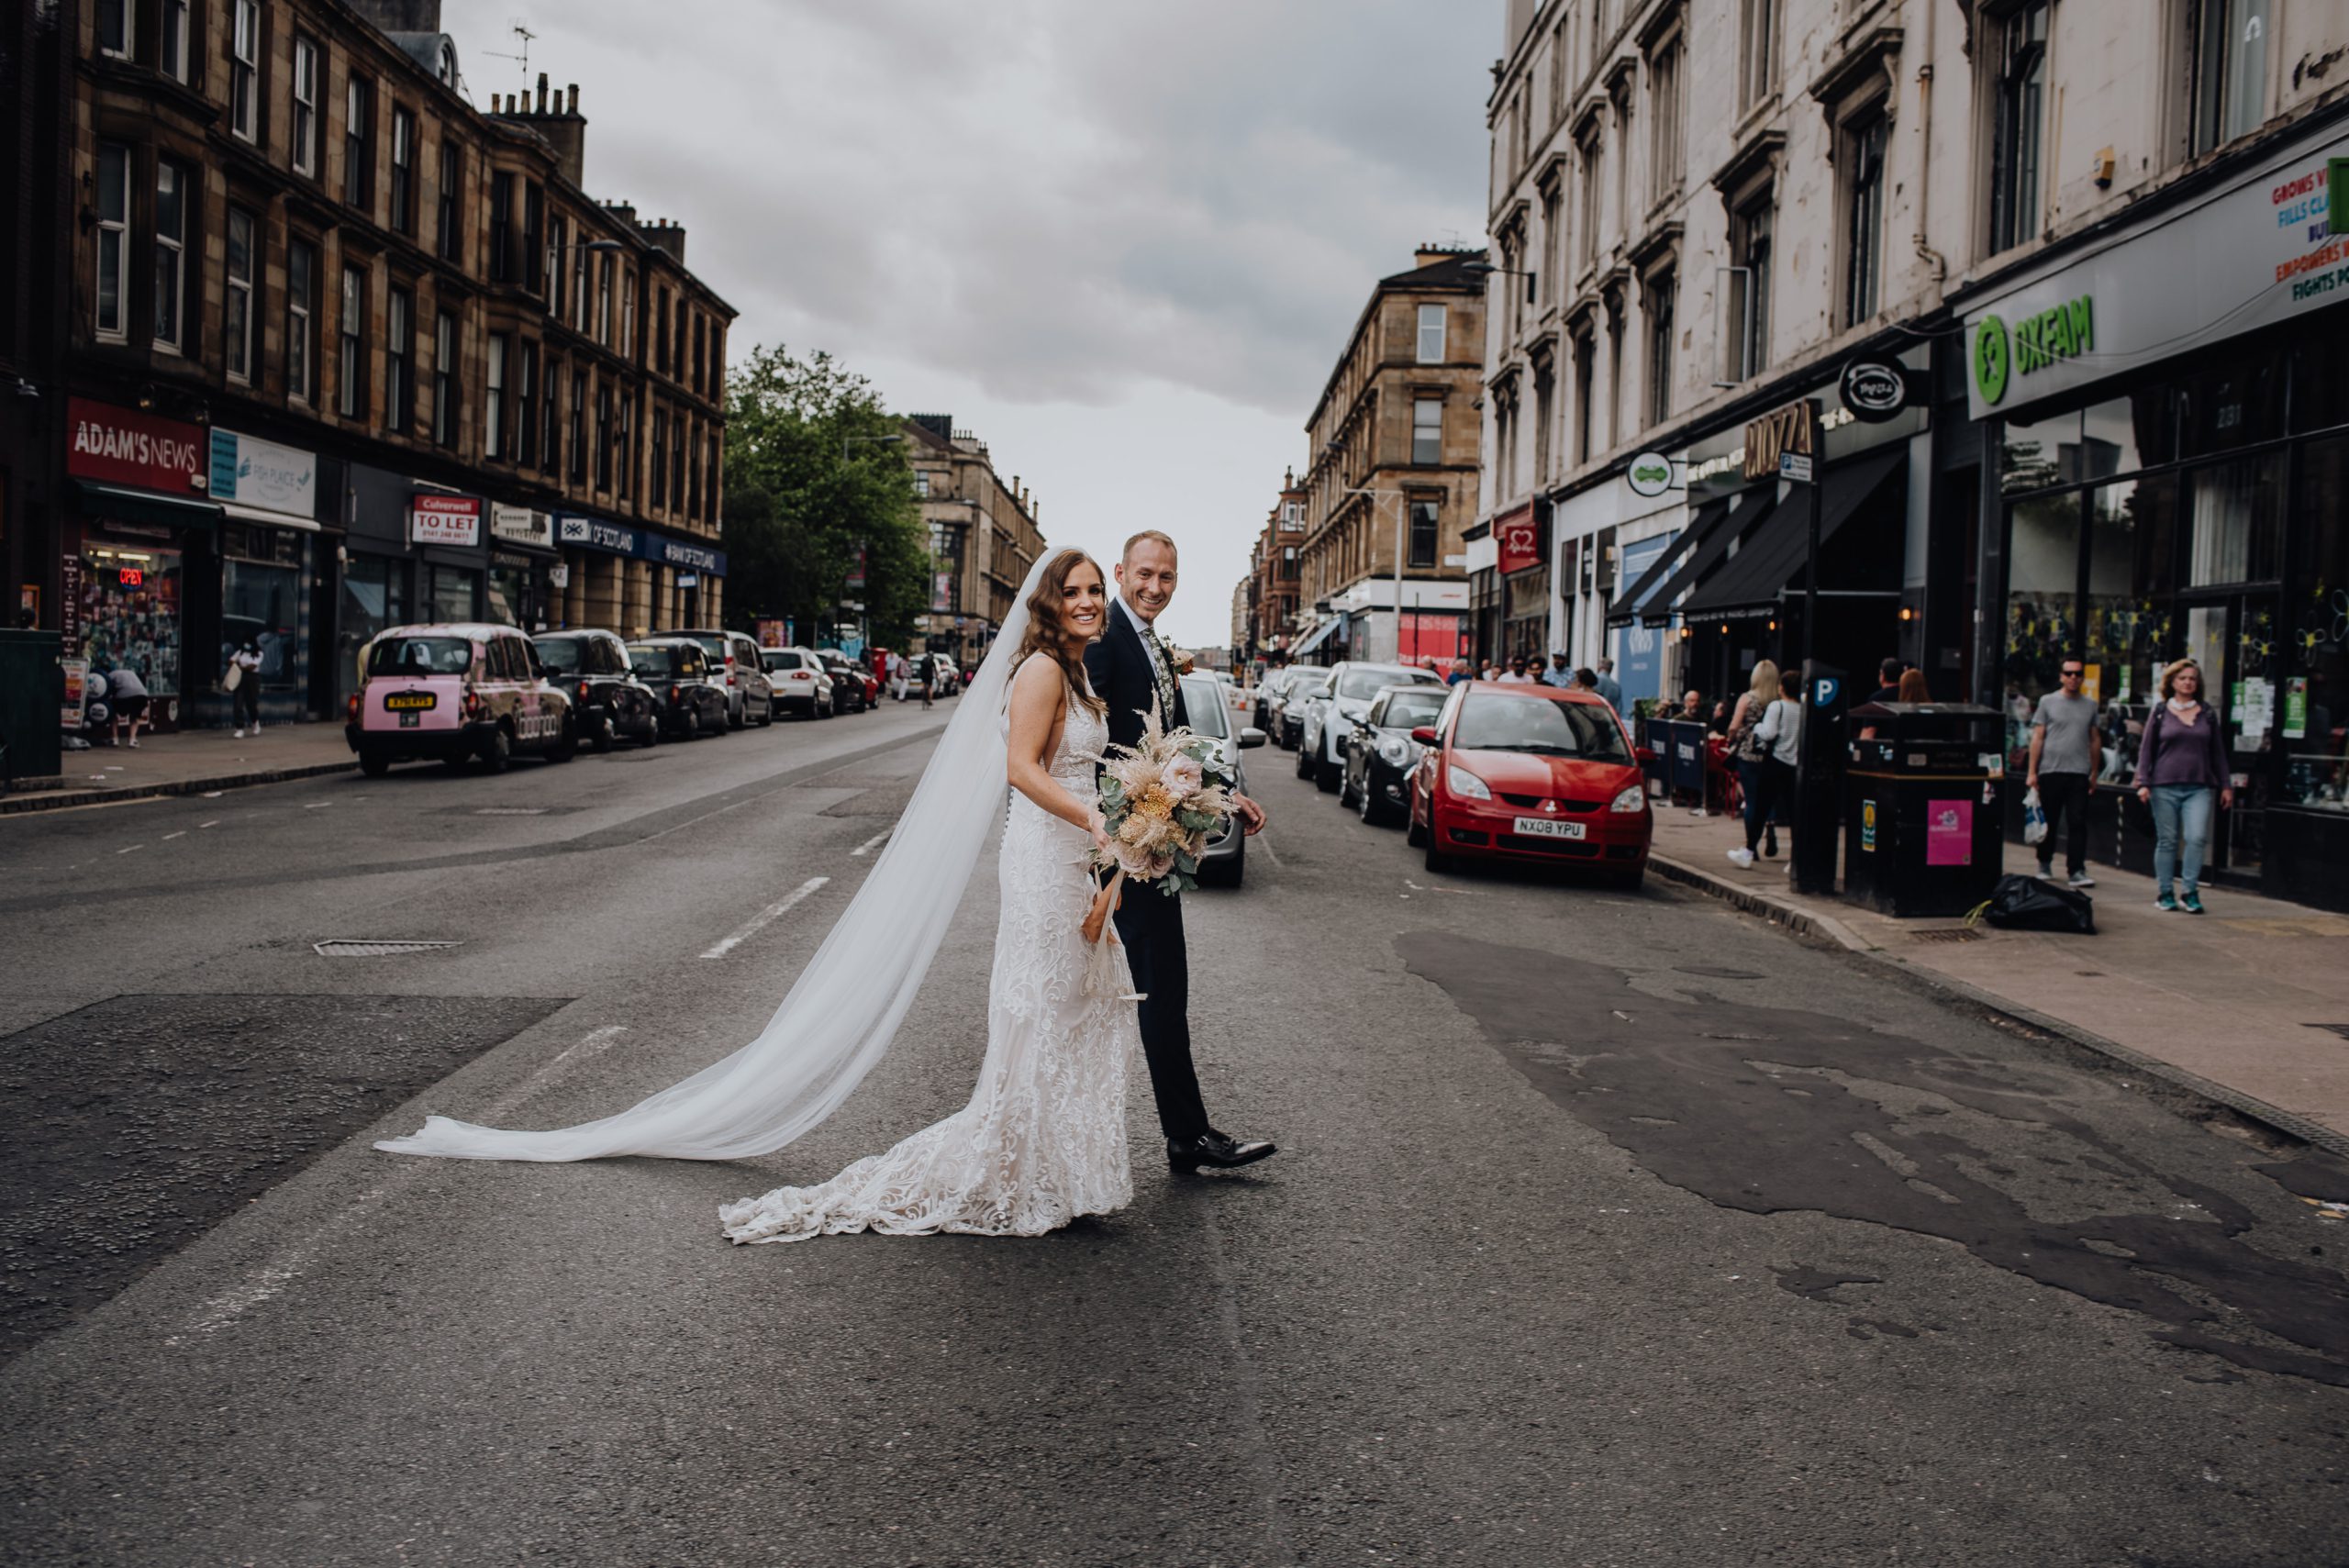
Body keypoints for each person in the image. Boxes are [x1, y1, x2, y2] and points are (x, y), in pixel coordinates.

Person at [376, 545, 1271, 1239]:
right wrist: (1097, 816)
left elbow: (1119, 753)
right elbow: (1019, 768)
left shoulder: (1081, 668)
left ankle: (1058, 1169)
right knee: (1037, 1007)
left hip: (1076, 857)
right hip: (1047, 853)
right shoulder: (1043, 668)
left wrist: (1157, 805)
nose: (1086, 603)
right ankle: (1019, 1168)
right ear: (1057, 599)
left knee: (1071, 1012)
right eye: (1076, 591)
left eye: (1091, 593)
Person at [2136, 658, 2232, 915]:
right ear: (2173, 682)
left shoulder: (2207, 713)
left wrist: (2226, 785)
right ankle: (2165, 891)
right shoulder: (2159, 712)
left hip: (2198, 787)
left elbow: (2218, 753)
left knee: (2196, 837)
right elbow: (2146, 751)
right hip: (2163, 786)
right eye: (2183, 678)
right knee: (2167, 841)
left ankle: (2189, 891)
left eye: (2192, 678)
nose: (2188, 682)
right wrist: (2143, 782)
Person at [2027, 660, 2099, 888]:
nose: (2074, 678)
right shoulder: (2048, 702)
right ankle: (2044, 862)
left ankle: (2076, 870)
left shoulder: (2090, 705)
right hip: (2051, 769)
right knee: (2050, 819)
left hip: (2079, 771)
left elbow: (2095, 738)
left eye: (2078, 674)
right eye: (2069, 673)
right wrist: (2032, 771)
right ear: (2061, 676)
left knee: (2077, 821)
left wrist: (2095, 771)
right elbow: (2038, 736)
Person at [1728, 669, 1800, 870]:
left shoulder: (1777, 706)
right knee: (1794, 813)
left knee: (1761, 808)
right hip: (1794, 765)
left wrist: (1757, 728)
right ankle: (1795, 859)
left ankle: (1748, 851)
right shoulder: (1803, 709)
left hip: (1776, 762)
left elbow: (1769, 733)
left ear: (1782, 687)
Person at [1724, 660, 1781, 863]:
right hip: (1771, 755)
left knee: (1752, 800)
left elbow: (1734, 726)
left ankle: (1751, 846)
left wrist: (1732, 739)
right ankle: (1771, 826)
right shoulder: (1778, 700)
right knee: (1769, 797)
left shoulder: (1747, 699)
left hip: (1749, 754)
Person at [106, 664, 150, 748]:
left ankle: (114, 739)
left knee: (112, 712)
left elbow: (106, 689)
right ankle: (132, 740)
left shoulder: (110, 675)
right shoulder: (131, 672)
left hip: (124, 696)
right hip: (142, 696)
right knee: (134, 716)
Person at [228, 639, 262, 738]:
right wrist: (238, 666)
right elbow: (230, 661)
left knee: (251, 703)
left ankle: (255, 722)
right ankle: (239, 728)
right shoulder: (240, 652)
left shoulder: (259, 653)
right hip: (240, 678)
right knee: (238, 704)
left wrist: (239, 666)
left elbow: (252, 666)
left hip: (252, 679)